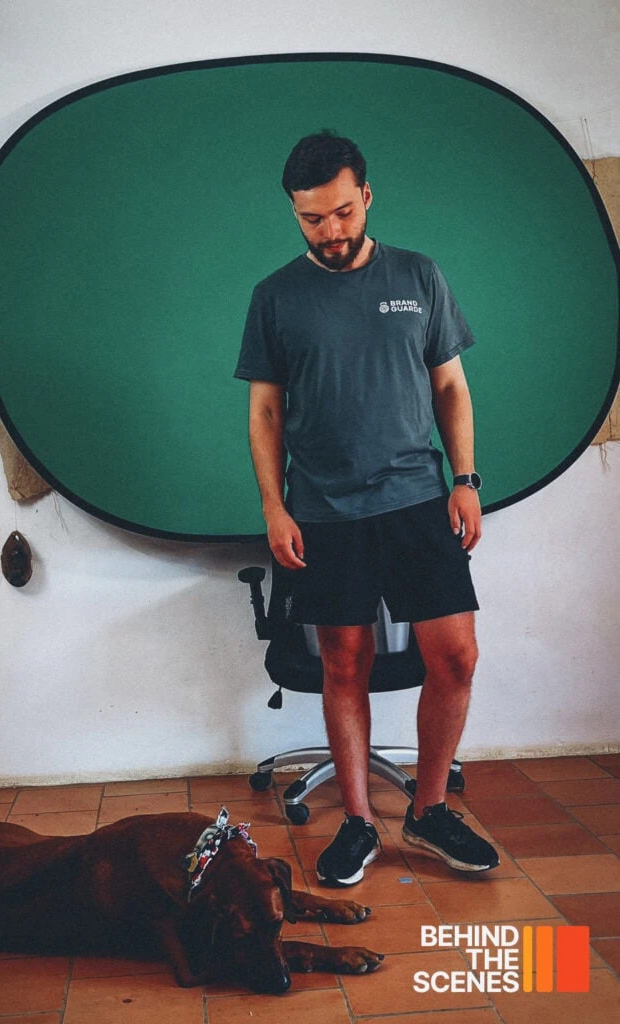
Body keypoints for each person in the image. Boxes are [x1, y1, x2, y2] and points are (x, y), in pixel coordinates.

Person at [234, 130, 498, 886]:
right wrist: (273, 507)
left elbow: (449, 387)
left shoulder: (418, 276)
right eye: (313, 219)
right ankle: (356, 822)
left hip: (417, 499)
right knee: (342, 665)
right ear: (294, 213)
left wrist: (465, 479)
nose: (332, 232)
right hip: (321, 510)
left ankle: (428, 808)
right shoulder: (275, 296)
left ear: (366, 196)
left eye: (343, 213)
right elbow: (263, 415)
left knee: (456, 657)